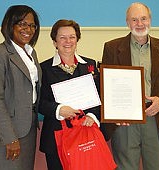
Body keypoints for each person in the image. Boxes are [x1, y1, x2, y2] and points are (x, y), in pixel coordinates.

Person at [101, 2, 159, 170]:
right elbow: (106, 83)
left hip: (154, 116)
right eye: (134, 20)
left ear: (150, 20)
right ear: (127, 23)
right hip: (125, 121)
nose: (140, 24)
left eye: (143, 18)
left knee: (157, 166)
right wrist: (115, 112)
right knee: (125, 167)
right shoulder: (112, 48)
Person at [0, 5, 41, 170]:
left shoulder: (31, 53)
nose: (27, 29)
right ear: (10, 25)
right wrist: (10, 138)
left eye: (31, 25)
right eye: (22, 24)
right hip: (6, 133)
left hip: (28, 129)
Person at [39, 19, 101, 170]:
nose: (68, 41)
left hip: (86, 135)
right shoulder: (43, 68)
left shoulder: (90, 65)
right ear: (54, 42)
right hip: (56, 138)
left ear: (77, 39)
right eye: (62, 37)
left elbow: (101, 97)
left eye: (72, 37)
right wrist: (59, 109)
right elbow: (39, 102)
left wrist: (92, 116)